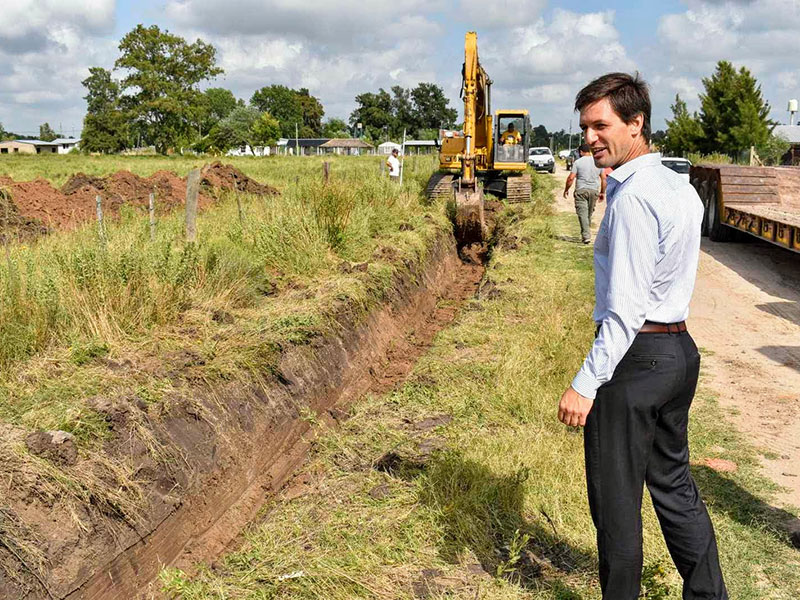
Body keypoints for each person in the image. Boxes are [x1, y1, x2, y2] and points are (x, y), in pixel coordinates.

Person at [557, 72, 727, 600]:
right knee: (674, 487)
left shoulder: (632, 200)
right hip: (678, 353)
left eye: (601, 125)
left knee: (616, 504)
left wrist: (586, 383)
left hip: (637, 359)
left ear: (636, 123)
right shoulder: (678, 187)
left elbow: (625, 311)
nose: (589, 139)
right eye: (585, 127)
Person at [563, 143, 606, 243]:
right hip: (594, 191)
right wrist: (602, 192)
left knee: (582, 213)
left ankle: (586, 235)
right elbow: (604, 178)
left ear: (581, 152)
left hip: (581, 190)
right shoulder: (598, 161)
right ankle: (586, 232)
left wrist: (566, 189)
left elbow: (571, 178)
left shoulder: (578, 162)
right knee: (588, 214)